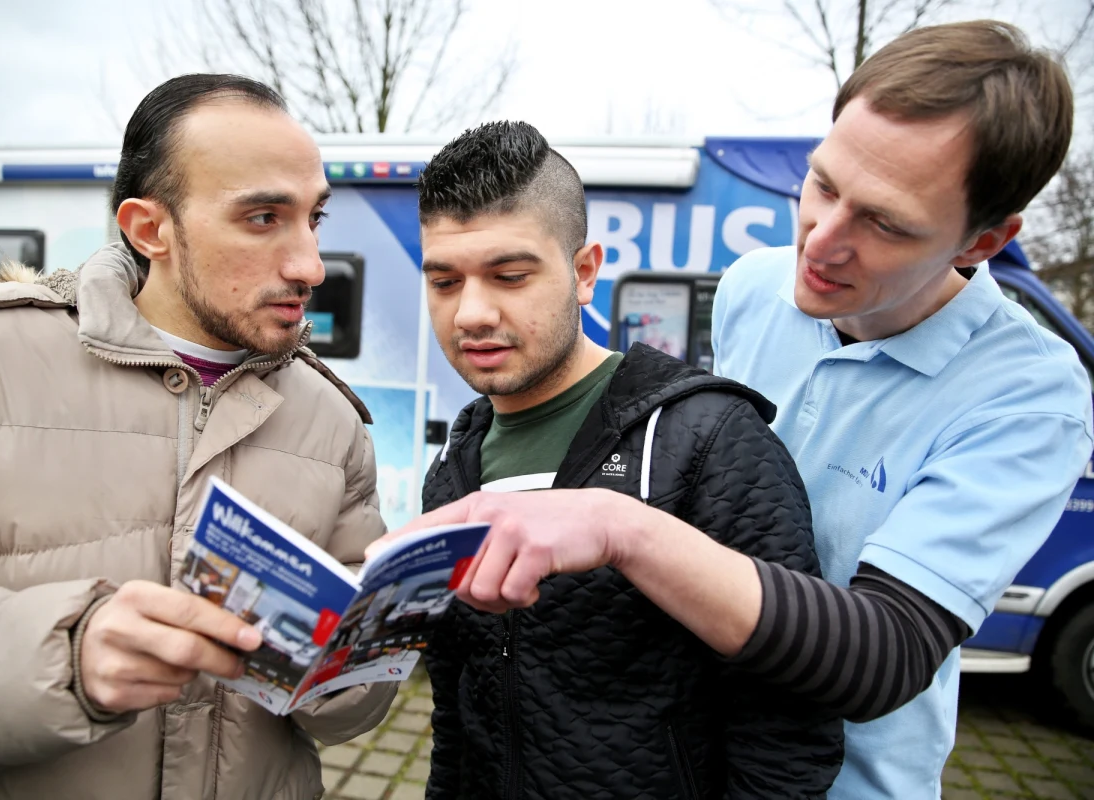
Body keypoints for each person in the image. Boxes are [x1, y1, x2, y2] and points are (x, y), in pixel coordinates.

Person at [371, 21, 1094, 800]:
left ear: (984, 242)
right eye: (822, 184)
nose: (821, 241)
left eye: (884, 221)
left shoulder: (1031, 396)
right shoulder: (757, 286)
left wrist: (619, 523)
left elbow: (883, 653)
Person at [0, 74, 396, 798]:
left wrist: (363, 642)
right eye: (262, 218)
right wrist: (65, 659)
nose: (309, 265)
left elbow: (346, 715)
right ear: (149, 229)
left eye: (314, 219)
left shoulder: (332, 418)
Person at [412, 120, 843, 799]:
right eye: (443, 281)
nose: (470, 313)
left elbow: (789, 729)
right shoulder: (454, 471)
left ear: (585, 272)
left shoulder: (706, 441)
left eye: (510, 275)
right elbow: (454, 709)